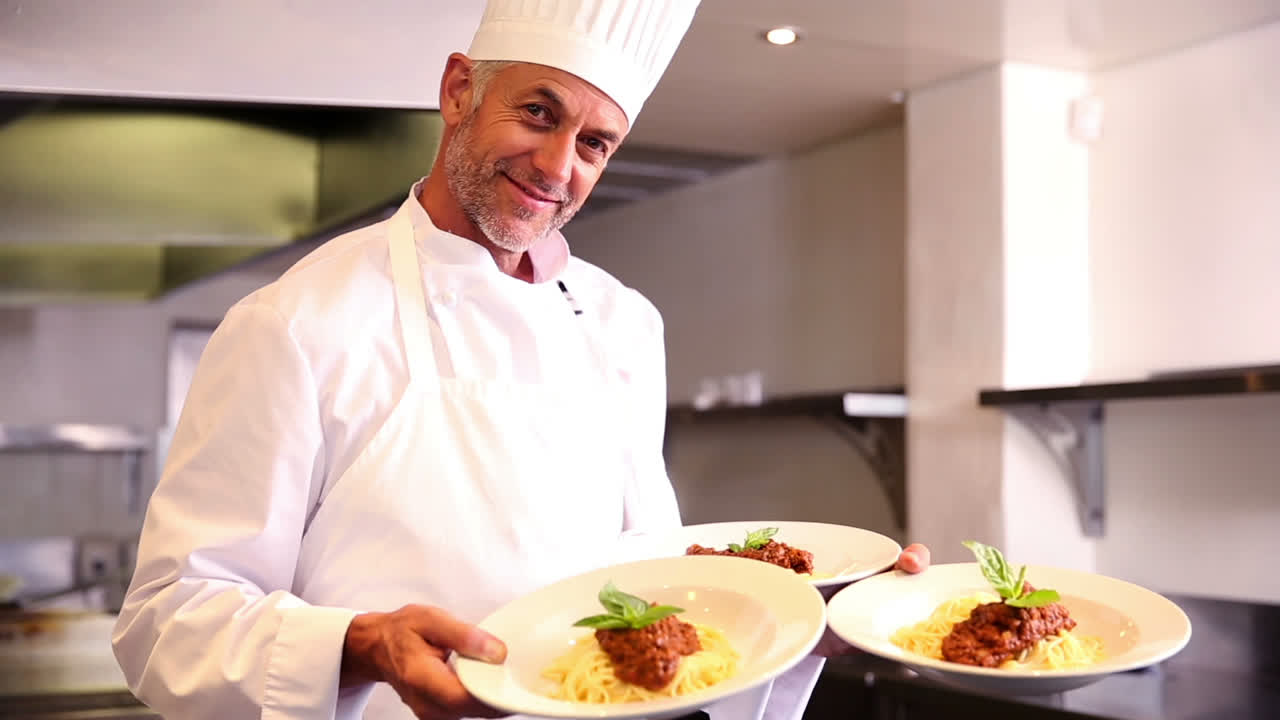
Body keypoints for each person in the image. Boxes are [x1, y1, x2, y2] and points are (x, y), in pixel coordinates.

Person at [111, 1, 930, 719]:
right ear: (458, 89)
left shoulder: (623, 324)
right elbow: (166, 620)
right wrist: (361, 647)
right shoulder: (295, 322)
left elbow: (647, 586)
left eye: (596, 144)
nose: (557, 167)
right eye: (539, 113)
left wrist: (802, 621)